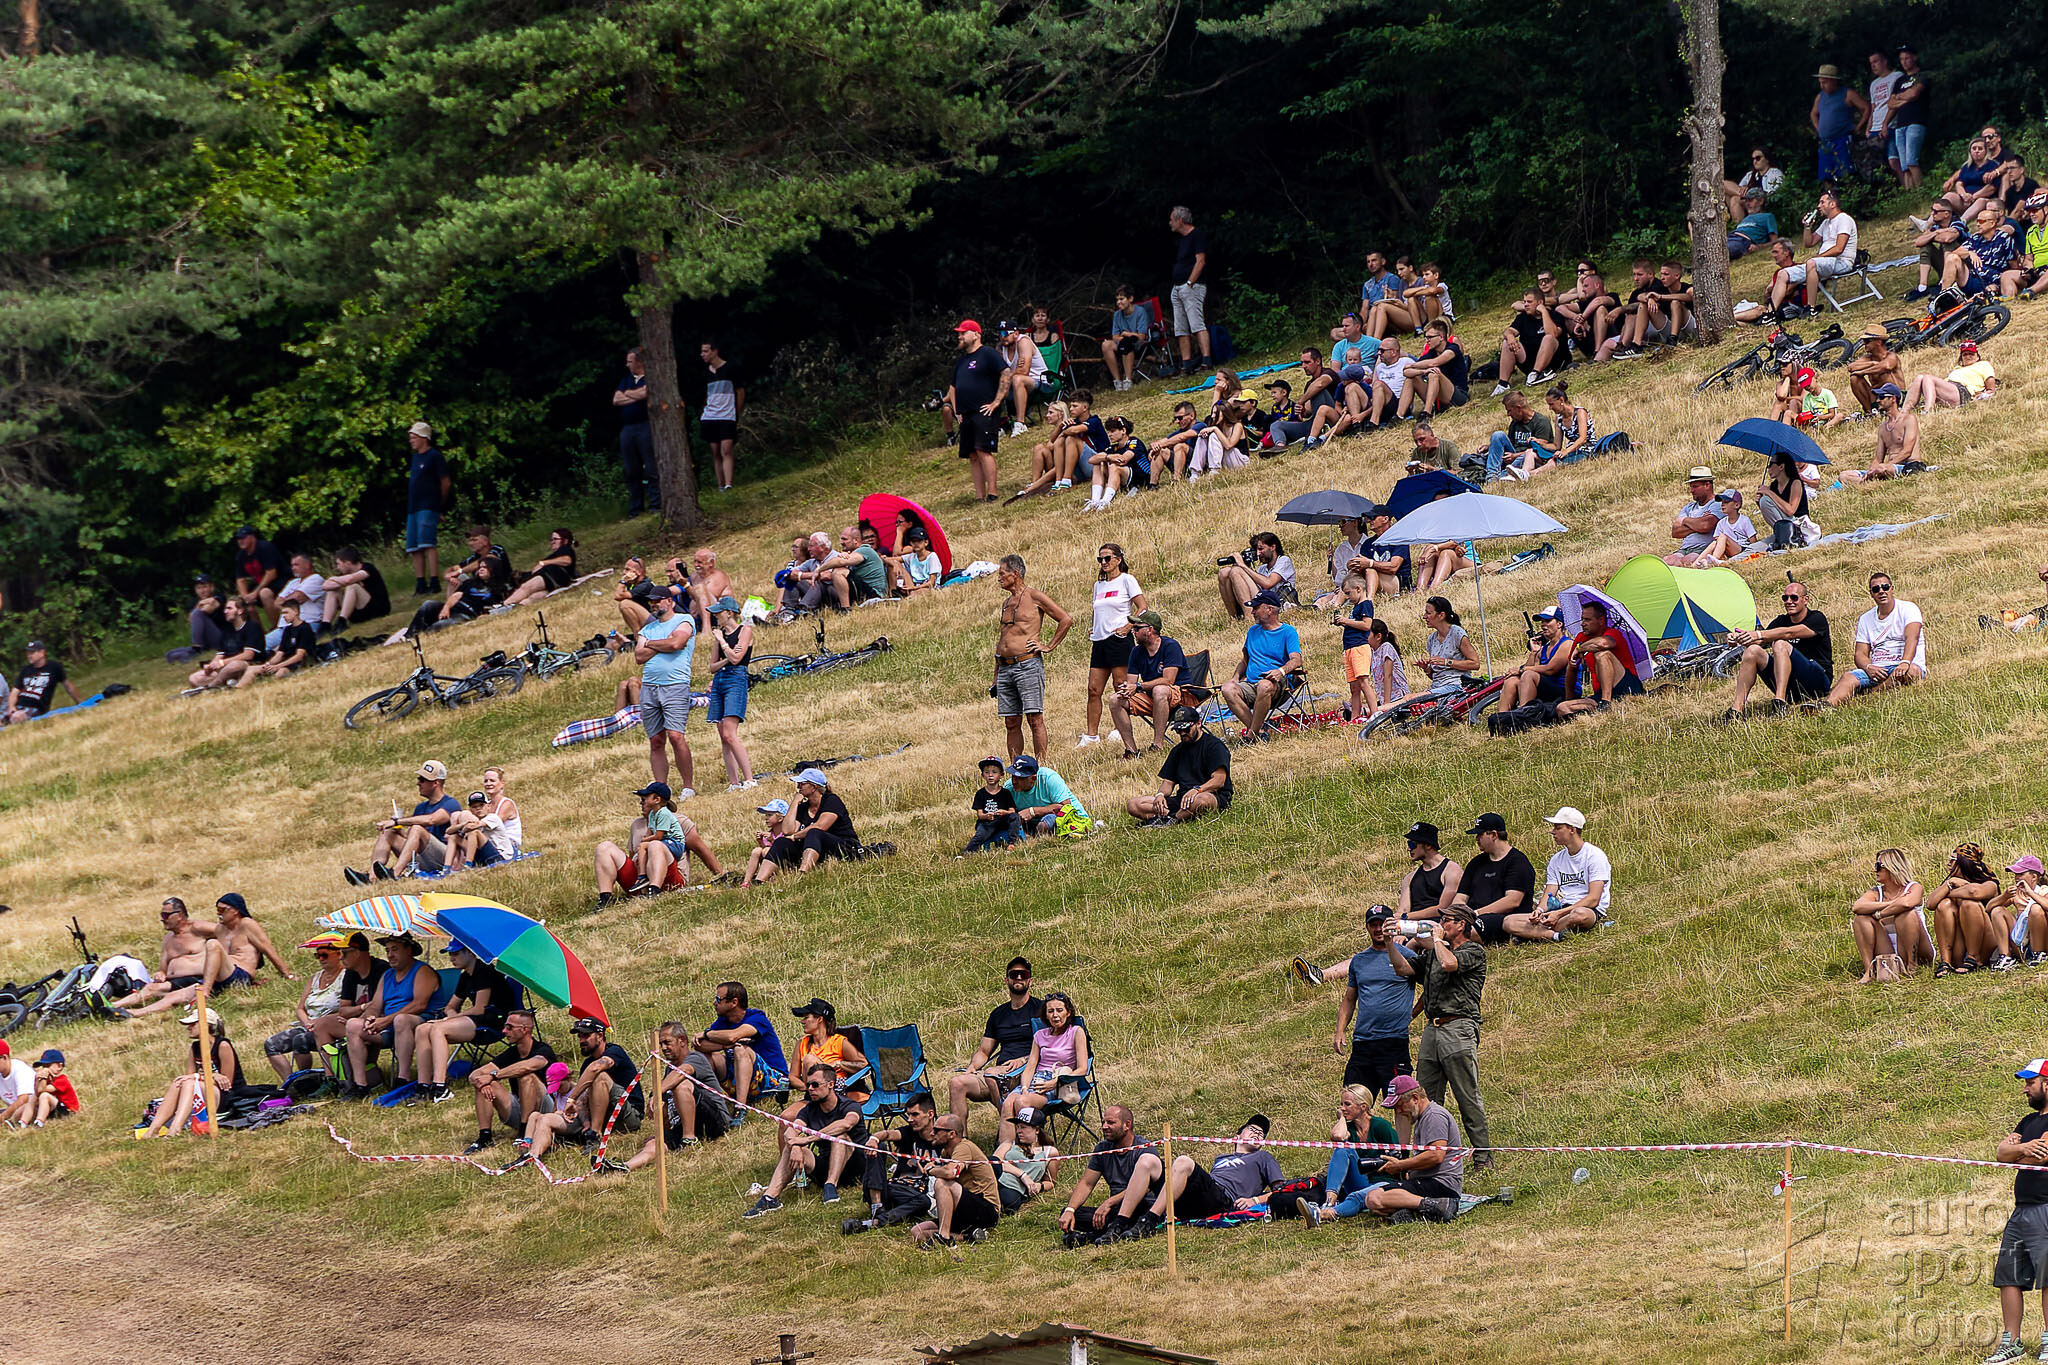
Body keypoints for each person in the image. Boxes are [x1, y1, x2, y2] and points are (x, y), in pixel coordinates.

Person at [1411, 905, 1491, 1170]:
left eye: (1446, 920)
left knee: (1466, 1094)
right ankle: (1431, 1157)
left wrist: (1436, 940)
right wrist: (1390, 943)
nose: (1441, 923)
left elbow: (1449, 964)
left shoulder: (1473, 951)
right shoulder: (1436, 952)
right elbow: (1406, 971)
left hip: (1459, 1026)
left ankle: (1483, 1157)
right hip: (1433, 1028)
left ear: (1461, 924)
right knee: (1425, 1096)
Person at [598, 1021, 735, 1172]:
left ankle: (689, 1140)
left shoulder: (696, 1058)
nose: (663, 1048)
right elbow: (665, 1104)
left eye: (667, 1042)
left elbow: (683, 1072)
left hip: (715, 1120)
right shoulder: (669, 1070)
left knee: (681, 1084)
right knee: (654, 1142)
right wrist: (661, 1132)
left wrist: (656, 1094)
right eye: (661, 1044)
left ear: (682, 1041)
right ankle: (625, 1167)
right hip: (686, 1124)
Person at [744, 1062, 868, 1217]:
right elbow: (791, 1130)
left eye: (815, 1085)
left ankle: (831, 1186)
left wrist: (807, 1140)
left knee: (840, 1136)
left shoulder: (849, 1105)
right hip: (825, 1166)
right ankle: (770, 1198)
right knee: (791, 1146)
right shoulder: (809, 1109)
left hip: (856, 1167)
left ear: (831, 1084)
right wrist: (795, 1146)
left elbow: (846, 1124)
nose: (810, 1089)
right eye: (808, 1085)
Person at [517, 1017, 644, 1166]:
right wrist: (572, 1112)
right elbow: (584, 1098)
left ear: (600, 1036)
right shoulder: (587, 1064)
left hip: (628, 1117)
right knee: (543, 1118)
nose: (581, 1040)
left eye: (586, 1035)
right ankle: (532, 1155)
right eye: (579, 1036)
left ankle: (594, 1136)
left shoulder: (614, 1051)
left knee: (600, 1076)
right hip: (601, 1118)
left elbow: (596, 1068)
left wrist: (571, 1099)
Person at [1986, 1060, 2048, 1364]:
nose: (2025, 1089)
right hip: (2021, 1210)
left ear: (2047, 1084)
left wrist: (2019, 1151)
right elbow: (2001, 1153)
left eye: (2030, 1082)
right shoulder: (2027, 1121)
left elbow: (2041, 1157)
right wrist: (2025, 1147)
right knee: (2008, 1276)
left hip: (2046, 1208)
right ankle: (2012, 1343)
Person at [992, 553, 1072, 763]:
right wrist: (996, 675)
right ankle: (1016, 766)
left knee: (1034, 718)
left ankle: (1041, 764)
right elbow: (1003, 639)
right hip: (1005, 667)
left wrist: (1049, 646)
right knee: (1011, 721)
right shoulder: (1006, 602)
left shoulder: (1035, 596)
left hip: (1027, 664)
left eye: (1002, 573)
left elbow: (1065, 619)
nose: (999, 578)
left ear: (1015, 573)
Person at [947, 958, 1042, 1129]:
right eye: (1014, 974)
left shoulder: (1040, 1010)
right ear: (1006, 980)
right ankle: (959, 1140)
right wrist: (972, 1067)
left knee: (992, 1075)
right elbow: (984, 1051)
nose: (1018, 978)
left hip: (1027, 1072)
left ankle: (1010, 1129)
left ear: (1030, 981)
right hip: (1000, 1074)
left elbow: (1049, 1047)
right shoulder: (998, 1014)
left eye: (1023, 974)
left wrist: (1023, 1060)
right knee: (957, 1083)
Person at [411, 942, 510, 1101]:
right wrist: (450, 1015)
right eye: (450, 954)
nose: (452, 958)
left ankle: (440, 1087)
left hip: (494, 1021)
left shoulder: (483, 971)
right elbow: (450, 1006)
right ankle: (423, 1085)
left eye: (456, 954)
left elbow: (480, 1009)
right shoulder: (465, 976)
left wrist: (451, 1019)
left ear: (470, 952)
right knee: (422, 1029)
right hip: (475, 1019)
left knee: (438, 1029)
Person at [1723, 579, 1834, 721]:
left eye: (1794, 597)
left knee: (1780, 643)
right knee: (1752, 651)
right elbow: (1760, 640)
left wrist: (1759, 634)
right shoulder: (1781, 621)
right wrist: (1738, 639)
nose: (1789, 601)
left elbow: (1790, 633)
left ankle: (1780, 702)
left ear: (1806, 600)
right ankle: (1736, 711)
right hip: (1792, 688)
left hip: (1817, 683)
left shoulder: (1817, 618)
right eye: (1785, 598)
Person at [343, 931, 437, 1097]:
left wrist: (386, 1020)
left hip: (420, 1023)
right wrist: (369, 1019)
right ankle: (360, 1085)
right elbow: (375, 1005)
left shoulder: (422, 971)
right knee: (353, 1025)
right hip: (389, 1025)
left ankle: (403, 1079)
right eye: (387, 950)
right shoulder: (387, 975)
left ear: (409, 950)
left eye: (395, 949)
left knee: (402, 1020)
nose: (390, 955)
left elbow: (419, 1004)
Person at [1297, 1083, 1405, 1226]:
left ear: (1363, 1107)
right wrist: (1341, 1118)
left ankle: (1323, 1215)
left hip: (1384, 1182)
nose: (1342, 1108)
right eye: (1341, 1104)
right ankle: (1329, 1203)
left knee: (1356, 1196)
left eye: (1347, 1104)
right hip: (1362, 1180)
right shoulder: (1349, 1128)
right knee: (1342, 1149)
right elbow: (1337, 1136)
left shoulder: (1381, 1126)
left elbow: (1398, 1158)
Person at [1359, 1074, 1464, 1221]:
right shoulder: (1423, 1117)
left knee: (1374, 1198)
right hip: (1428, 1182)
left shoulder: (1434, 1115)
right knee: (1376, 1206)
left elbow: (1436, 1155)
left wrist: (1401, 1165)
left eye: (1400, 1105)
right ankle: (1421, 1211)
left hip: (1441, 1183)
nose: (1398, 1111)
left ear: (1415, 1098)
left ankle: (1438, 1206)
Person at [344, 758, 461, 885]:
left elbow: (432, 820)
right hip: (424, 858)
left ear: (436, 783)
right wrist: (397, 830)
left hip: (446, 859)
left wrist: (397, 821)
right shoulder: (421, 807)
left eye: (422, 779)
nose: (418, 783)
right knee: (388, 832)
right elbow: (413, 840)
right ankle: (371, 878)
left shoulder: (450, 803)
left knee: (416, 828)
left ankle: (395, 873)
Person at [998, 991, 1090, 1149]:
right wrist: (1025, 1088)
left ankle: (1029, 1150)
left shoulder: (1076, 1032)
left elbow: (1082, 1069)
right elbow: (1030, 1067)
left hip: (1059, 1082)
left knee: (1021, 1101)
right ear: (1046, 1015)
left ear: (1068, 1012)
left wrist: (1056, 1083)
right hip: (1035, 1080)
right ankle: (1005, 1153)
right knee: (1007, 1104)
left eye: (1059, 1010)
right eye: (1050, 1011)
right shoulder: (1040, 1035)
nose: (1055, 1015)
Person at [1057, 1105, 1159, 1246]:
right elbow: (1087, 1183)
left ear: (1127, 1125)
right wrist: (1070, 1210)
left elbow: (1146, 1187)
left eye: (1110, 1122)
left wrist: (1109, 1202)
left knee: (1135, 1210)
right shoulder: (1102, 1149)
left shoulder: (1144, 1149)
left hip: (1141, 1206)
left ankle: (1091, 1236)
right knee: (1072, 1213)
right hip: (1115, 1209)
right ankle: (1112, 1229)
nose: (1104, 1127)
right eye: (1103, 1122)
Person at [136, 1007, 245, 1138]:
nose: (188, 1028)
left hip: (227, 1095)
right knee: (180, 1083)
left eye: (193, 1024)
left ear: (205, 1025)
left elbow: (227, 1082)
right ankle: (153, 1129)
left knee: (189, 1083)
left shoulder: (222, 1045)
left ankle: (175, 1129)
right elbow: (189, 1076)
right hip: (207, 1089)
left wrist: (201, 1077)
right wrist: (205, 1076)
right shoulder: (195, 1047)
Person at [460, 1008, 557, 1154]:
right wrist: (483, 1082)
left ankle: (524, 1132)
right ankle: (484, 1137)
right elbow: (475, 1075)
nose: (504, 1031)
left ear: (524, 1029)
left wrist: (494, 1076)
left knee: (527, 1077)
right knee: (483, 1083)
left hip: (546, 1110)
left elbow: (530, 1065)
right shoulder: (511, 1053)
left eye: (509, 1027)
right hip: (519, 1107)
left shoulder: (543, 1049)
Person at [1078, 545, 1146, 749]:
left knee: (1119, 685)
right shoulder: (1098, 585)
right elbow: (1097, 609)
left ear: (1118, 559)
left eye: (1107, 558)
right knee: (1093, 689)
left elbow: (1142, 607)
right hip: (1100, 641)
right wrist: (1094, 626)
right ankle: (1091, 735)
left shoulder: (1127, 580)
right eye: (1100, 559)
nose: (1104, 563)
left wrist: (1128, 626)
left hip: (1118, 639)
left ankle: (1119, 728)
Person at [630, 589, 696, 797]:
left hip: (675, 685)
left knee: (676, 736)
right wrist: (661, 643)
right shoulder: (647, 629)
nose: (654, 604)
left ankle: (688, 787)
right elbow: (639, 656)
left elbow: (677, 643)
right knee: (656, 740)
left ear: (670, 601)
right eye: (651, 602)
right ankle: (660, 789)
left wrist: (651, 644)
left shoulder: (684, 620)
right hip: (649, 687)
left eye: (658, 601)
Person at [1825, 572, 1927, 706]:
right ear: (1871, 594)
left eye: (1885, 587)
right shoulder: (1865, 618)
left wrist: (1904, 662)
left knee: (1911, 672)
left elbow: (1912, 638)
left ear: (1892, 589)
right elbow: (1860, 653)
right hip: (1878, 669)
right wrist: (1869, 667)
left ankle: (1873, 692)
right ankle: (1826, 705)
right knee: (1848, 677)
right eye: (1876, 589)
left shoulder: (1908, 608)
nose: (1881, 591)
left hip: (1904, 665)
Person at [261, 932, 351, 1082]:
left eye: (324, 955)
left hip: (330, 1026)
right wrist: (307, 1022)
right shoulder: (315, 978)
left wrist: (319, 1023)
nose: (320, 959)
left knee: (300, 1040)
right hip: (309, 1025)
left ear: (339, 954)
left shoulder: (347, 977)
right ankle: (291, 1081)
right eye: (317, 956)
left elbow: (344, 1007)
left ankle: (306, 1080)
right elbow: (300, 1008)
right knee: (271, 1044)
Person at [906, 1113, 1004, 1247]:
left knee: (942, 1183)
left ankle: (944, 1237)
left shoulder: (964, 1147)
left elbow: (950, 1172)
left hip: (987, 1210)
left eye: (937, 1130)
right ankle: (969, 1236)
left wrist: (930, 1170)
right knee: (917, 1232)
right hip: (965, 1209)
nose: (932, 1133)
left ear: (952, 1134)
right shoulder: (946, 1152)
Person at [1126, 706, 1231, 827]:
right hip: (1183, 800)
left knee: (1202, 800)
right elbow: (1168, 782)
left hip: (1210, 795)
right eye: (1178, 730)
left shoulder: (1214, 746)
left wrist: (1197, 790)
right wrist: (1160, 795)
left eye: (1186, 729)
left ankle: (1172, 820)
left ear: (1198, 723)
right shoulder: (1177, 751)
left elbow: (1219, 780)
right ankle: (1173, 816)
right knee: (1134, 804)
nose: (1182, 733)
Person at [752, 767, 862, 883]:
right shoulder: (803, 808)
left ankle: (802, 874)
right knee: (781, 842)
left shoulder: (831, 801)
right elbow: (787, 831)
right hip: (817, 849)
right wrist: (795, 802)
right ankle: (759, 880)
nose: (798, 786)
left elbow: (820, 826)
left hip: (843, 846)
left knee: (814, 832)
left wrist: (795, 836)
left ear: (814, 787)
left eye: (802, 784)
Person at [946, 319, 1014, 502]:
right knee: (972, 454)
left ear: (976, 334)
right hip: (966, 413)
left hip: (984, 411)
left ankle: (992, 492)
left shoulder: (988, 353)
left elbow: (1006, 373)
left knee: (983, 449)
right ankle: (979, 495)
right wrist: (956, 411)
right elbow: (953, 387)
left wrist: (996, 401)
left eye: (963, 333)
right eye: (959, 333)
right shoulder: (961, 361)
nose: (960, 336)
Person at [696, 980, 789, 1114]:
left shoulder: (757, 1018)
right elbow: (700, 1045)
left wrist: (707, 1033)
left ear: (734, 1002)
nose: (714, 1003)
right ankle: (709, 1106)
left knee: (741, 1049)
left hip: (770, 1083)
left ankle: (740, 1108)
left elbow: (733, 1036)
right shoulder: (723, 1022)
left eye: (718, 999)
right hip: (739, 1082)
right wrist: (725, 1045)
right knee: (707, 1056)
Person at [1222, 591, 1303, 739]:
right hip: (1251, 684)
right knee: (1227, 688)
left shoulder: (1288, 632)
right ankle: (1258, 732)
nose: (1252, 612)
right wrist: (1235, 678)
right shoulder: (1252, 631)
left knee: (1264, 686)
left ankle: (1251, 735)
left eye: (1256, 608)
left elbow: (1296, 660)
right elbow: (1245, 661)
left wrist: (1280, 672)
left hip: (1276, 686)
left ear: (1269, 609)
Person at [1109, 610, 1187, 757]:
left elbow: (1168, 680)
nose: (1133, 631)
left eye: (1137, 628)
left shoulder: (1170, 646)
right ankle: (1131, 751)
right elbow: (1132, 682)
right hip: (1152, 698)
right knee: (1115, 699)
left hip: (1180, 696)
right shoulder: (1136, 652)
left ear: (1150, 630)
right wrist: (1126, 688)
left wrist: (1138, 686)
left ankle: (1157, 745)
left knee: (1160, 690)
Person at [1453, 813, 1538, 945]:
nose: (1476, 839)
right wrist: (1456, 914)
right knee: (1431, 928)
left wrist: (1476, 913)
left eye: (1480, 834)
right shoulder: (1476, 863)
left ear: (1493, 835)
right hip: (1471, 917)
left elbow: (1512, 901)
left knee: (1460, 932)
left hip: (1502, 919)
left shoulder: (1517, 862)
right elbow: (1460, 897)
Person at [1851, 848, 1933, 983]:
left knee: (1906, 914)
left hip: (1917, 948)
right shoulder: (1876, 892)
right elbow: (1857, 907)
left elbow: (1906, 903)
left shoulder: (1914, 887)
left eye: (1878, 866)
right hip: (1887, 949)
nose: (1875, 870)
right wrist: (1892, 903)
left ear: (1892, 867)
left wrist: (1879, 914)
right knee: (1861, 919)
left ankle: (1912, 966)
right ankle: (1869, 971)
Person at [1382, 597, 1479, 708]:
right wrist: (1427, 669)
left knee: (1409, 699)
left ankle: (1378, 711)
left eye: (1428, 613)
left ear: (1441, 615)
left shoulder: (1457, 633)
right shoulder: (1431, 639)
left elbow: (1475, 664)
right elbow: (1436, 676)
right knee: (1410, 701)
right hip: (1438, 687)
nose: (1424, 616)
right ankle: (1377, 711)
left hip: (1456, 686)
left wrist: (1446, 662)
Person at [1557, 598, 1644, 714]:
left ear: (1601, 620)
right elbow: (1571, 669)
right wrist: (1569, 698)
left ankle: (1606, 702)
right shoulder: (1581, 637)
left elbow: (1602, 644)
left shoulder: (1613, 633)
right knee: (1562, 708)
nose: (1582, 623)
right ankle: (1599, 709)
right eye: (1582, 619)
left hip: (1627, 686)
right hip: (1600, 692)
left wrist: (1580, 648)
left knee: (1601, 653)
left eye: (1587, 620)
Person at [1930, 844, 2001, 978]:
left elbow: (1973, 892)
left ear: (1963, 863)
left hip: (1985, 944)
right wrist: (1949, 884)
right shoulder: (1951, 884)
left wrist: (1948, 892)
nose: (1948, 864)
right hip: (1960, 946)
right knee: (1944, 905)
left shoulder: (1989, 883)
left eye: (1952, 860)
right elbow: (1930, 904)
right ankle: (1946, 961)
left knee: (1969, 904)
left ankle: (1973, 957)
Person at [441, 766, 522, 872]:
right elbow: (449, 832)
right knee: (456, 828)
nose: (488, 783)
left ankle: (467, 864)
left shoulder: (505, 804)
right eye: (486, 781)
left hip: (505, 847)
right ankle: (447, 868)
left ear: (502, 783)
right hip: (487, 844)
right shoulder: (488, 805)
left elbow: (484, 827)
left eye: (492, 780)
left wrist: (466, 825)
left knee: (472, 829)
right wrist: (462, 825)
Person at [401, 422, 451, 596]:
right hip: (413, 507)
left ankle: (434, 581)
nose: (411, 441)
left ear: (424, 438)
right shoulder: (415, 458)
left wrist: (439, 506)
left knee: (427, 543)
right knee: (414, 547)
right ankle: (420, 583)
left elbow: (445, 482)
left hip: (428, 505)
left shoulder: (434, 456)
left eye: (414, 437)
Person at [788, 998, 868, 1099]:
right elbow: (793, 1076)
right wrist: (807, 1087)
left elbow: (863, 1064)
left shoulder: (838, 1042)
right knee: (788, 1113)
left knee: (809, 1059)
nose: (802, 1021)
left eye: (806, 1017)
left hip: (836, 1092)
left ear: (819, 1019)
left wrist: (839, 1064)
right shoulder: (802, 1043)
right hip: (813, 1095)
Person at [1843, 383, 1922, 484]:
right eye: (1877, 397)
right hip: (1887, 468)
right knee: (1844, 475)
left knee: (1882, 469)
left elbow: (1907, 451)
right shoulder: (1882, 428)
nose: (1877, 400)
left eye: (1881, 397)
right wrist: (1871, 470)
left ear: (1893, 399)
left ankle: (1868, 482)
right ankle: (1866, 482)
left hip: (1909, 465)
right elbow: (1878, 458)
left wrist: (1886, 465)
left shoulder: (1909, 420)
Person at [182, 598, 266, 692]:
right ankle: (227, 682)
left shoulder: (252, 627)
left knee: (235, 665)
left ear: (240, 611)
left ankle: (212, 686)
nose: (225, 611)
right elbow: (220, 654)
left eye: (229, 608)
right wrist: (211, 666)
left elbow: (248, 655)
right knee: (194, 678)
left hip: (247, 664)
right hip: (226, 668)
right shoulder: (227, 631)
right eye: (225, 609)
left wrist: (222, 663)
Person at [611, 349, 657, 515]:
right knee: (631, 469)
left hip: (645, 426)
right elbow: (616, 399)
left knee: (650, 466)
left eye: (630, 361)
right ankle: (636, 508)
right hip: (628, 428)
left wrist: (628, 394)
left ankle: (655, 504)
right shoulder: (626, 380)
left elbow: (645, 393)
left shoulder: (650, 378)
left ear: (639, 362)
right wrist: (634, 396)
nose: (627, 365)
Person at [1793, 189, 1860, 302]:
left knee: (1811, 264)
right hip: (1825, 262)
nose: (1819, 206)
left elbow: (1839, 249)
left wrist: (1818, 258)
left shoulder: (1844, 219)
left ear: (1832, 204)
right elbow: (1809, 243)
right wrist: (1807, 227)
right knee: (1783, 274)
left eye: (1822, 202)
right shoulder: (1826, 223)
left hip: (1842, 262)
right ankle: (1772, 310)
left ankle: (1810, 307)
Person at [1167, 206, 1210, 374]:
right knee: (1180, 328)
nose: (1170, 223)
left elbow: (1201, 261)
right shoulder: (1183, 240)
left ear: (1180, 220)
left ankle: (1206, 361)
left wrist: (1190, 283)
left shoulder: (1197, 235)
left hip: (1192, 287)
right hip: (1178, 287)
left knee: (1197, 324)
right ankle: (1187, 364)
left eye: (1172, 219)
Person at [1215, 532, 1295, 620]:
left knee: (1236, 571)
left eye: (1261, 549)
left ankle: (1249, 617)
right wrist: (1245, 566)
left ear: (1272, 547)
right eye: (1256, 550)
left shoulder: (1284, 561)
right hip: (1261, 600)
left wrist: (1242, 566)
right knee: (1224, 572)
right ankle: (1234, 618)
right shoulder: (1262, 569)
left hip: (1276, 604)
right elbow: (1252, 589)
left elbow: (1268, 583)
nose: (1258, 553)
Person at [1501, 609, 1572, 709]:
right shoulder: (1544, 649)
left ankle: (1524, 713)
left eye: (1548, 621)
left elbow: (1551, 669)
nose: (1543, 625)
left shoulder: (1567, 644)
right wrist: (1534, 652)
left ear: (1559, 624)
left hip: (1565, 692)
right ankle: (1502, 716)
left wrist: (1521, 670)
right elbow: (1529, 671)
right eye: (1542, 622)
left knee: (1529, 674)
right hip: (1547, 690)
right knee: (1512, 680)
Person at [1394, 821, 1462, 925]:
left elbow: (1443, 909)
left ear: (1428, 845)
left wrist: (1406, 916)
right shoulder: (1410, 878)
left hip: (1438, 926)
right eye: (1408, 844)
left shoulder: (1451, 871)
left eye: (1412, 844)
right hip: (1411, 927)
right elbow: (1402, 910)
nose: (1409, 849)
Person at [1904, 339, 1998, 413]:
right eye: (1965, 354)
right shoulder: (1958, 369)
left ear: (1977, 356)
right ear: (1961, 358)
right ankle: (1904, 411)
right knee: (1919, 377)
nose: (1968, 356)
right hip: (1950, 389)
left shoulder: (1983, 365)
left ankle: (1927, 410)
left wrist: (1984, 395)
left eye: (1971, 354)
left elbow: (1991, 388)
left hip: (1962, 392)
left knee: (1928, 378)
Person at [1482, 390, 1556, 483]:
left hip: (1529, 458)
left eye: (1509, 410)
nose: (1508, 414)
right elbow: (1510, 441)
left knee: (1526, 455)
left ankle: (1504, 475)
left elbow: (1540, 450)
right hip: (1514, 455)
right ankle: (1491, 476)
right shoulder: (1515, 422)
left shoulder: (1541, 422)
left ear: (1518, 408)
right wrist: (1490, 446)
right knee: (1498, 435)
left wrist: (1515, 456)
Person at [1811, 64, 1869, 182]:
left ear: (1833, 81)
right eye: (1820, 82)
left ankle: (1849, 190)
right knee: (1825, 174)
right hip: (1825, 142)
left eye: (1825, 82)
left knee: (1845, 171)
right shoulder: (1820, 97)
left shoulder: (1847, 94)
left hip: (1842, 139)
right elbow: (1813, 113)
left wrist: (1859, 127)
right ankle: (1829, 192)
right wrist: (1818, 128)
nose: (1822, 86)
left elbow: (1866, 108)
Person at [699, 340, 744, 491]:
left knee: (726, 449)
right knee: (716, 452)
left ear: (714, 351)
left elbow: (740, 391)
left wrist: (736, 411)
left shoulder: (730, 368)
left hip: (727, 415)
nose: (703, 354)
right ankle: (720, 485)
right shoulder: (705, 373)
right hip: (710, 416)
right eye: (702, 351)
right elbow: (705, 395)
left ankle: (728, 484)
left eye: (705, 351)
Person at [1008, 754, 1088, 838]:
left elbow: (1066, 806)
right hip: (1032, 823)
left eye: (1020, 778)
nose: (1014, 781)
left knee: (1044, 824)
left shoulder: (1049, 778)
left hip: (1071, 820)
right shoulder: (1009, 788)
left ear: (1033, 779)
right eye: (1013, 776)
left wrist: (1032, 811)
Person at [4, 638, 78, 722]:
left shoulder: (54, 667)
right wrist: (11, 707)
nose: (29, 656)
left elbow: (68, 686)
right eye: (28, 653)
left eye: (32, 653)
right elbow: (15, 691)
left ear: (42, 653)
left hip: (36, 706)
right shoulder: (25, 670)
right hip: (19, 706)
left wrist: (81, 703)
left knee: (18, 717)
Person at [500, 529, 578, 608]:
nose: (552, 542)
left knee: (526, 587)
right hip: (556, 581)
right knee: (535, 596)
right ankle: (513, 608)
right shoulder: (561, 551)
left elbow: (567, 560)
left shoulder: (565, 549)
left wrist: (543, 563)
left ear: (565, 541)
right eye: (551, 540)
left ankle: (503, 605)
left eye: (555, 539)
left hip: (553, 575)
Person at [321, 547, 391, 634]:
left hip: (377, 610)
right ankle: (326, 625)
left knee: (352, 586)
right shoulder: (345, 574)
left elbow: (349, 580)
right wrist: (338, 582)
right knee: (333, 591)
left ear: (347, 563)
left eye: (338, 564)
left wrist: (333, 578)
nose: (337, 567)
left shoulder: (368, 568)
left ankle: (342, 621)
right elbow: (325, 586)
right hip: (359, 613)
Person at [965, 755, 1024, 855]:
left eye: (994, 772)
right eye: (987, 772)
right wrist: (986, 816)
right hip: (987, 823)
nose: (990, 775)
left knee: (1015, 817)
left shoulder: (1005, 793)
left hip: (1002, 820)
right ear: (983, 775)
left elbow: (1012, 811)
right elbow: (979, 814)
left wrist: (1004, 812)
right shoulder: (980, 794)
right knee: (980, 835)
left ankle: (1012, 842)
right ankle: (968, 852)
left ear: (1001, 775)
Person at [227, 525, 284, 626]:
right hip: (261, 585)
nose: (241, 541)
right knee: (246, 604)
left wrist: (255, 593)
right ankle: (259, 633)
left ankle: (277, 627)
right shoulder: (241, 556)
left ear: (252, 537)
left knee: (264, 594)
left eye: (243, 538)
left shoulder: (265, 548)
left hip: (280, 581)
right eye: (239, 539)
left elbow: (271, 573)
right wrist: (245, 597)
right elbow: (240, 579)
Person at [1663, 467, 1720, 567]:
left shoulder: (1717, 504)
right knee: (1666, 561)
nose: (1691, 490)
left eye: (1695, 486)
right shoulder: (1688, 507)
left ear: (1707, 485)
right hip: (1684, 549)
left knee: (1688, 561)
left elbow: (1706, 525)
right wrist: (1698, 525)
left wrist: (1685, 521)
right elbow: (1675, 532)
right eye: (1691, 487)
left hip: (1703, 548)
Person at [1098, 286, 1152, 392]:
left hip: (1139, 344)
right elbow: (1115, 336)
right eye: (1117, 300)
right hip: (1122, 342)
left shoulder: (1140, 312)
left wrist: (1127, 334)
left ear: (1130, 299)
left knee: (1126, 343)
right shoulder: (1117, 315)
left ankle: (1128, 380)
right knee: (1106, 345)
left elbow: (1142, 336)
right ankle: (1118, 382)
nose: (1118, 302)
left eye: (1122, 299)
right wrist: (1123, 337)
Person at [1687, 488, 1755, 567]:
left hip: (1741, 550)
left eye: (1726, 502)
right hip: (1727, 551)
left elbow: (1753, 541)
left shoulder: (1744, 520)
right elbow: (1717, 541)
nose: (1722, 504)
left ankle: (1713, 560)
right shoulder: (1721, 523)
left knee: (1722, 536)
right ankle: (1695, 564)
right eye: (1722, 502)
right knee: (1714, 543)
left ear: (1737, 505)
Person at [1723, 146, 1784, 223]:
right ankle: (1740, 226)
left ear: (1767, 159)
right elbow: (1737, 188)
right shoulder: (1750, 174)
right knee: (1724, 185)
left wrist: (1752, 194)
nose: (1755, 161)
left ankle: (1739, 226)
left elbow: (1774, 193)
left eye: (1758, 158)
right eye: (1753, 159)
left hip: (1763, 202)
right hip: (1749, 201)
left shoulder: (1775, 173)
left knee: (1735, 199)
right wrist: (1744, 188)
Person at [1726, 190, 1781, 259]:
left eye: (1750, 200)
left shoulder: (1767, 216)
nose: (1747, 204)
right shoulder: (1746, 218)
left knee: (1724, 251)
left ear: (1761, 201)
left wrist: (1758, 247)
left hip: (1743, 241)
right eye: (1746, 201)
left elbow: (1775, 241)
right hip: (1730, 236)